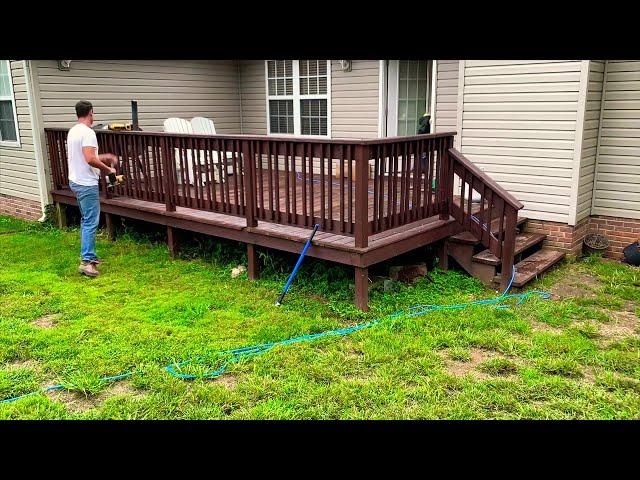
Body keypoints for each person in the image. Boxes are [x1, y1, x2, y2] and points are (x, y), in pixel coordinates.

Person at [67, 100, 118, 277]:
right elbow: (89, 159)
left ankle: (88, 256)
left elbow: (86, 156)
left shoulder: (74, 131)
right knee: (90, 221)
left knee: (86, 219)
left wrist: (105, 157)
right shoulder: (88, 133)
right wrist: (108, 169)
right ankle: (87, 262)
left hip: (75, 180)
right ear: (91, 113)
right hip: (86, 183)